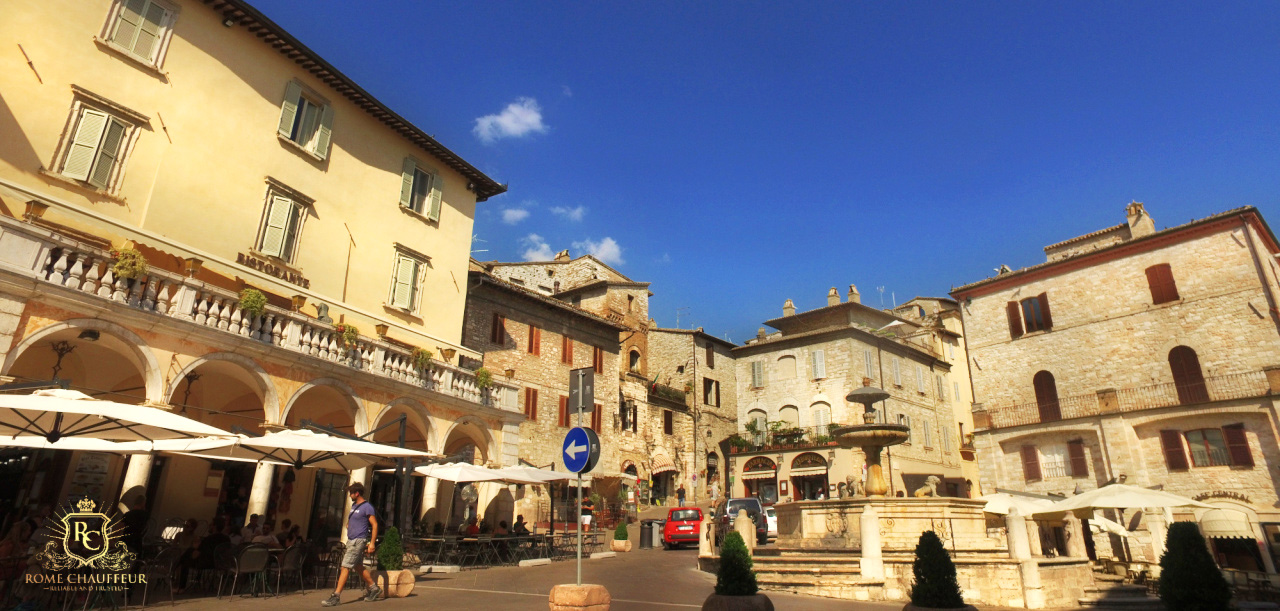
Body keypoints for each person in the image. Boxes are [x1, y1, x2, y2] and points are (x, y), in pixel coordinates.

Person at [321, 483, 379, 607]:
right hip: (351, 540)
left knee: (345, 567)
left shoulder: (367, 507)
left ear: (356, 493)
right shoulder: (354, 505)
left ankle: (336, 596)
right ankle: (374, 588)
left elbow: (374, 524)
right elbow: (351, 520)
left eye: (351, 493)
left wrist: (372, 543)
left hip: (358, 541)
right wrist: (349, 525)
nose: (349, 495)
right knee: (358, 566)